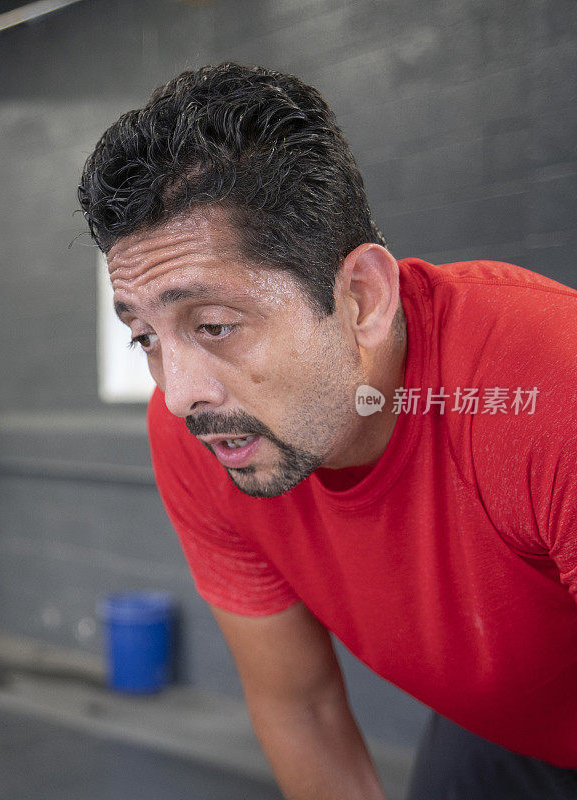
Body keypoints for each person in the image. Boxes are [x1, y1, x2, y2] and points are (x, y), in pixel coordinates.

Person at [78, 63, 577, 799]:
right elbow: (299, 706)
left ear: (362, 299)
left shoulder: (548, 389)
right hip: (507, 727)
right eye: (144, 338)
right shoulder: (205, 432)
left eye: (213, 325)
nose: (180, 394)